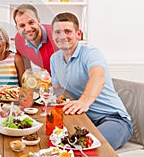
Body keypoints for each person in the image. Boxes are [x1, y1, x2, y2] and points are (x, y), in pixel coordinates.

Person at [50, 12, 133, 149]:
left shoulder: (91, 53)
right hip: (81, 119)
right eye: (57, 32)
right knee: (53, 141)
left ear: (78, 34)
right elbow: (58, 90)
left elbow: (98, 78)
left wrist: (84, 101)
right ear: (53, 35)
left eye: (68, 31)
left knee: (83, 146)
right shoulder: (55, 59)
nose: (63, 36)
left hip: (114, 120)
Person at [13, 4, 58, 74]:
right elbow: (26, 69)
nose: (28, 29)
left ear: (38, 21)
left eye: (31, 22)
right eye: (22, 25)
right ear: (17, 28)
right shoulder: (18, 39)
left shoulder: (56, 35)